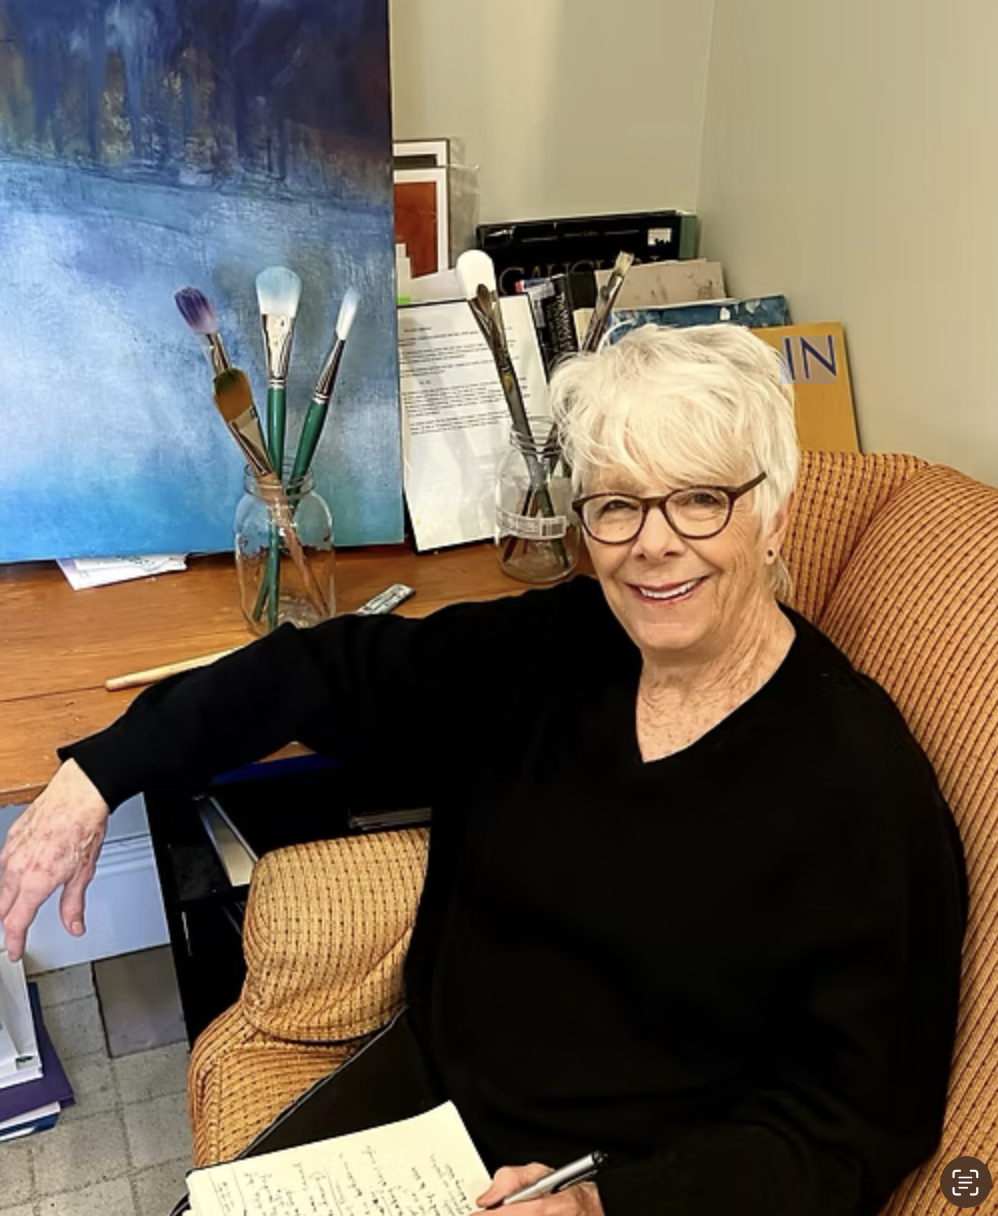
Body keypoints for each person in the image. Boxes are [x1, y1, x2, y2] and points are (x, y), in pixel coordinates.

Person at [0, 324, 966, 1216]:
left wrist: (607, 1205)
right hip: (428, 1115)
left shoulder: (860, 791)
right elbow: (324, 668)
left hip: (621, 1182)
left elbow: (851, 1126)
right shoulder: (559, 642)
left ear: (776, 513)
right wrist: (102, 772)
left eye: (703, 498)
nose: (654, 543)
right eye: (617, 505)